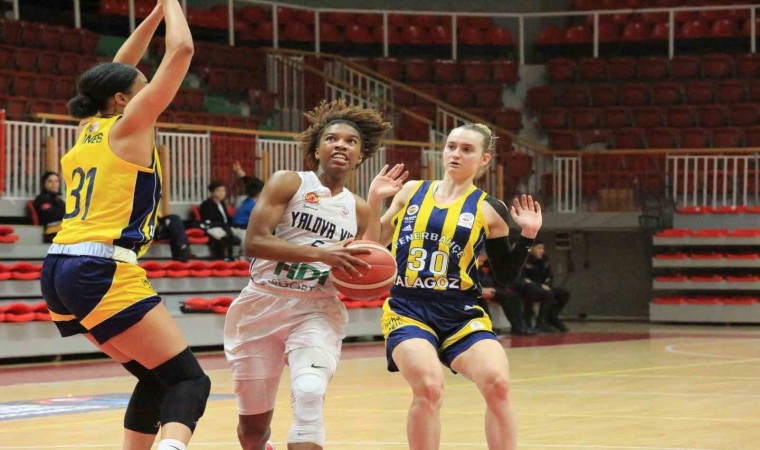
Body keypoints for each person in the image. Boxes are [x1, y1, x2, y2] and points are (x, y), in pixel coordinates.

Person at [39, 3, 210, 450]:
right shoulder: (132, 125)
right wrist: (172, 3)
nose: (150, 91)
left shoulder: (87, 127)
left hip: (59, 268)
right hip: (100, 268)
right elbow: (182, 50)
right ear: (121, 100)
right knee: (190, 381)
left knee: (156, 377)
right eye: (143, 87)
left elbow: (117, 67)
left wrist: (153, 14)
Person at [223, 99, 406, 450]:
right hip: (262, 303)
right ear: (316, 149)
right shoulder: (288, 182)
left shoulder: (357, 207)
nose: (341, 145)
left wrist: (378, 200)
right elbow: (254, 242)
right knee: (252, 430)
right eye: (332, 139)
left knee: (309, 392)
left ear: (361, 155)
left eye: (351, 142)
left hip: (316, 308)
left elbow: (368, 257)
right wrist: (323, 254)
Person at [365, 123, 542, 450]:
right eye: (451, 146)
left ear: (484, 159)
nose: (455, 154)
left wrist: (528, 235)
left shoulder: (490, 208)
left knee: (498, 384)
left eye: (466, 149)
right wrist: (374, 200)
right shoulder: (411, 191)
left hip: (461, 311)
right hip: (408, 309)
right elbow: (373, 245)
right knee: (430, 387)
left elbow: (505, 276)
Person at [513, 240, 570, 333]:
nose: (542, 251)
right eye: (539, 248)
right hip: (527, 289)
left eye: (543, 248)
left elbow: (549, 276)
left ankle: (552, 317)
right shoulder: (523, 260)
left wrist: (547, 284)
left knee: (563, 293)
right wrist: (539, 285)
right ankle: (536, 322)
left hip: (542, 287)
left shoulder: (544, 259)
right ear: (531, 249)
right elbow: (523, 279)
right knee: (543, 292)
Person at [477, 252, 535, 336]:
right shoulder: (469, 268)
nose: (483, 258)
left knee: (512, 296)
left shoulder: (484, 266)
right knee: (481, 300)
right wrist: (481, 290)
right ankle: (487, 327)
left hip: (490, 290)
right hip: (476, 292)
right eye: (480, 255)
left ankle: (518, 326)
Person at [200, 180, 241, 260]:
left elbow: (226, 218)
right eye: (219, 191)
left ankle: (237, 257)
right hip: (213, 227)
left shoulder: (222, 203)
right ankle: (225, 258)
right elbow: (209, 220)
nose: (222, 193)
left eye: (223, 191)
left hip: (225, 226)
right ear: (212, 193)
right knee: (222, 237)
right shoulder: (207, 204)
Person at [33, 171, 66, 243]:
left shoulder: (59, 200)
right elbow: (51, 216)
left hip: (62, 228)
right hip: (50, 230)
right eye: (50, 181)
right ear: (44, 184)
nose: (54, 184)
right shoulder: (42, 198)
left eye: (56, 181)